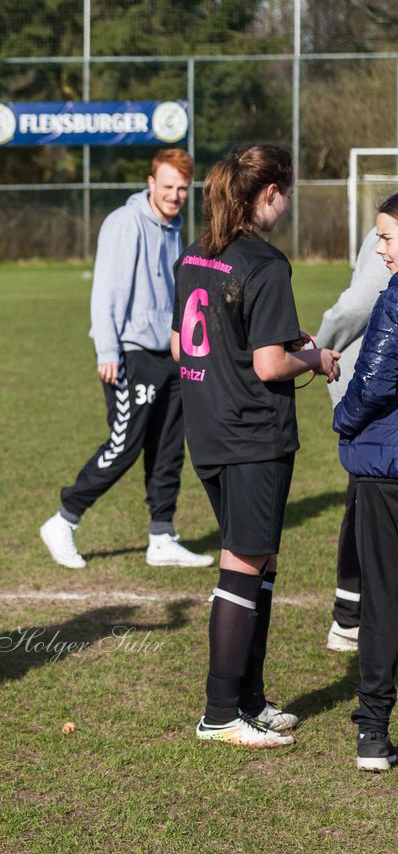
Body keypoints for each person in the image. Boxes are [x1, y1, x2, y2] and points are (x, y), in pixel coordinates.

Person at [171, 143, 340, 749]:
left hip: (209, 429)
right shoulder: (265, 264)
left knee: (258, 560)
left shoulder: (197, 253)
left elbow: (181, 346)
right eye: (287, 192)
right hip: (252, 435)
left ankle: (249, 699)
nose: (287, 204)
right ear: (269, 193)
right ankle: (220, 712)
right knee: (244, 563)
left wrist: (276, 339)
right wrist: (314, 357)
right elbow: (270, 366)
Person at [40, 149, 214, 570]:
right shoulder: (125, 222)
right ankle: (64, 520)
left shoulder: (172, 225)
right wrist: (107, 349)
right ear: (150, 183)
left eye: (182, 189)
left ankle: (161, 536)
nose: (174, 196)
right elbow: (107, 290)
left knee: (168, 448)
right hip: (130, 355)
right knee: (124, 446)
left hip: (169, 353)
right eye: (167, 186)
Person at [332, 192, 398, 772]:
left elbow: (372, 378)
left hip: (386, 471)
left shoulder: (394, 299)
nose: (379, 248)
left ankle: (373, 732)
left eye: (386, 238)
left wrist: (343, 420)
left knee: (381, 600)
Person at [315, 227, 390, 652]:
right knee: (366, 497)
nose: (383, 247)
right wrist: (315, 351)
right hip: (371, 391)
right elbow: (356, 305)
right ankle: (349, 615)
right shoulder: (390, 224)